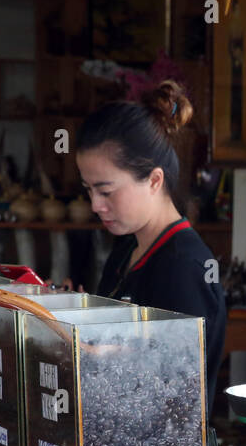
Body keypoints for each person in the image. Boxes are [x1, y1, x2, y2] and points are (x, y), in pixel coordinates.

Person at [75, 80, 226, 412]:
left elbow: (175, 393)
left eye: (106, 190)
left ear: (154, 181)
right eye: (88, 190)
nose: (95, 205)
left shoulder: (183, 267)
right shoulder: (126, 248)